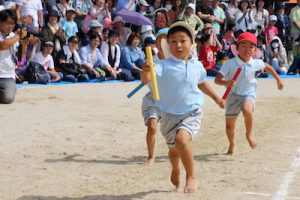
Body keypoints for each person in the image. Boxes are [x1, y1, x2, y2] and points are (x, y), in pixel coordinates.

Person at [141, 22, 225, 193]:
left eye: (182, 40)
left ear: (192, 44)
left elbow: (202, 84)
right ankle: (175, 168)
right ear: (167, 45)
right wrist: (145, 70)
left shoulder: (196, 65)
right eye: (172, 41)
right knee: (173, 150)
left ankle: (191, 175)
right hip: (168, 115)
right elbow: (146, 80)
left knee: (181, 140)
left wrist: (217, 98)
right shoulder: (163, 66)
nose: (178, 45)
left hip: (191, 112)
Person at [214, 32, 284, 156]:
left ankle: (249, 134)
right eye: (243, 46)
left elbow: (268, 67)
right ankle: (231, 144)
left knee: (247, 110)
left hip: (248, 94)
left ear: (255, 49)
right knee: (229, 126)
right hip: (233, 96)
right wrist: (226, 82)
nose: (247, 49)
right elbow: (217, 80)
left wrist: (278, 79)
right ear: (237, 48)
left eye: (251, 46)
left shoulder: (256, 62)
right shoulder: (230, 63)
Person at [0, 9, 27, 103]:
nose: (10, 26)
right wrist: (18, 36)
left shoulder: (13, 36)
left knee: (8, 98)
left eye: (13, 23)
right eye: (8, 23)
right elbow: (3, 45)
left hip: (7, 76)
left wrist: (24, 43)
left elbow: (20, 57)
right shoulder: (15, 36)